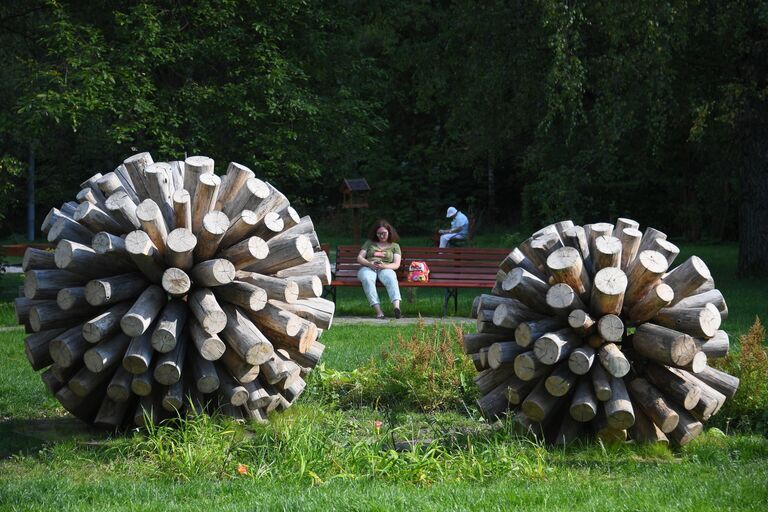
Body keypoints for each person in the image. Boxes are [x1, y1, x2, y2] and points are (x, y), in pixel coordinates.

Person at [357, 219, 402, 319]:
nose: (381, 236)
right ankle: (378, 311)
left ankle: (396, 308)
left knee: (391, 278)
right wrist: (369, 263)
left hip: (385, 268)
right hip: (368, 268)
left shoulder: (395, 246)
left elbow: (396, 264)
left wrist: (384, 266)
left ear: (389, 232)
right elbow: (359, 258)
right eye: (379, 234)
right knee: (367, 279)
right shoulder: (370, 243)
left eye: (384, 233)